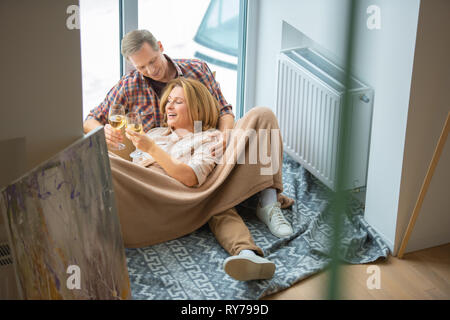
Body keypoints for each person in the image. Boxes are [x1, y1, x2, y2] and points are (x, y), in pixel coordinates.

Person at [83, 29, 293, 245]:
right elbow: (92, 118)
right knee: (102, 161)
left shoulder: (197, 69)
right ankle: (237, 235)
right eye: (141, 67)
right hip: (167, 169)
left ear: (161, 47)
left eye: (153, 61)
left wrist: (224, 136)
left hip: (210, 155)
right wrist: (102, 131)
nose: (150, 70)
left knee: (263, 116)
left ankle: (268, 203)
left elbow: (224, 110)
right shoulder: (130, 85)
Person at [118, 77, 276, 280]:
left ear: (198, 108)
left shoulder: (209, 138)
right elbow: (131, 161)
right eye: (168, 101)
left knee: (217, 203)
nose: (169, 106)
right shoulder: (156, 133)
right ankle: (247, 254)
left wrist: (151, 149)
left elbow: (190, 177)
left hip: (170, 195)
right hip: (138, 188)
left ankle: (248, 253)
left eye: (178, 101)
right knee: (102, 158)